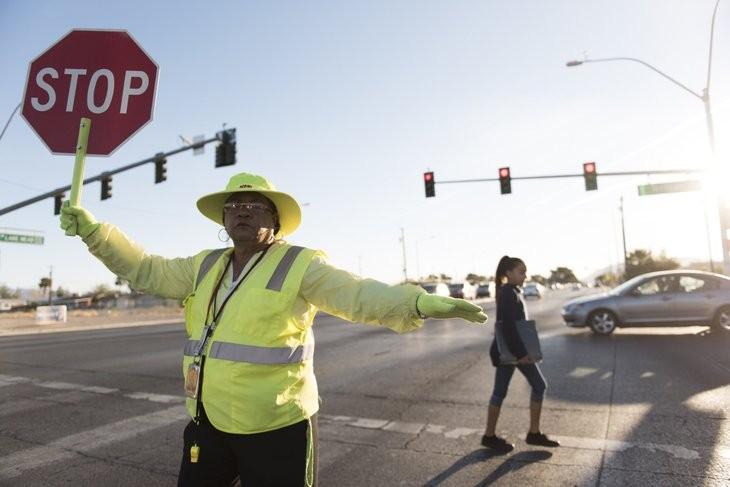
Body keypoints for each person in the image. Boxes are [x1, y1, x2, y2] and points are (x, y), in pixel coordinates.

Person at [60, 172, 487, 487]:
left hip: (277, 427)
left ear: (276, 221)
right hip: (207, 424)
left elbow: (356, 294)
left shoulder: (300, 263)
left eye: (256, 205)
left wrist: (416, 301)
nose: (242, 210)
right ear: (223, 219)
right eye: (234, 206)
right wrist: (95, 233)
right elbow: (144, 268)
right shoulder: (204, 265)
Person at [481, 255, 559, 453]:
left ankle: (495, 436)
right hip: (512, 352)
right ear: (509, 273)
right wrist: (521, 353)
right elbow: (506, 326)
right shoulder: (508, 293)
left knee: (502, 392)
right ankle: (525, 434)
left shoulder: (512, 291)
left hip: (510, 351)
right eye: (521, 271)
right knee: (537, 386)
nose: (525, 275)